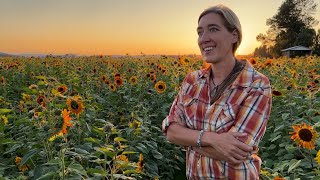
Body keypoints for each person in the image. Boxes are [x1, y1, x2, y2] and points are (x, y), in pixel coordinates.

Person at [162, 4, 272, 179]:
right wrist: (214, 139)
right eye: (200, 32)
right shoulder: (192, 81)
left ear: (234, 35)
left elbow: (237, 152)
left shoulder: (256, 84)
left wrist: (189, 141)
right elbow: (171, 132)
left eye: (213, 29)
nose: (204, 38)